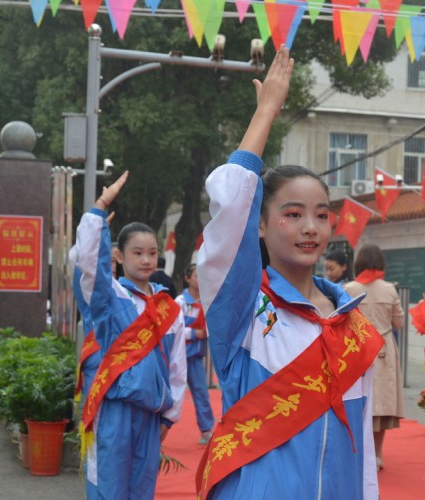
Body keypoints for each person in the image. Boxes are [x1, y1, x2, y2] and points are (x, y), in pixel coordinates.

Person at [195, 46, 383, 499]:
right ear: (259, 223)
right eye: (292, 214)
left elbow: (362, 452)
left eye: (321, 215)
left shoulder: (352, 324)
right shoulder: (243, 308)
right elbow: (228, 216)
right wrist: (266, 115)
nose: (309, 228)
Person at [75, 171, 187, 499]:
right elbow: (87, 266)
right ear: (119, 257)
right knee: (107, 488)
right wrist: (99, 209)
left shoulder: (170, 310)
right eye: (137, 253)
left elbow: (176, 369)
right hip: (113, 411)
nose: (146, 260)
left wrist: (170, 417)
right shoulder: (110, 298)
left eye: (152, 253)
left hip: (151, 416)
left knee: (141, 490)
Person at [344, 244, 404, 472]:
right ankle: (378, 455)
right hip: (383, 349)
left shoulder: (350, 288)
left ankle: (358, 452)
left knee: (356, 400)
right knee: (382, 402)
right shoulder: (389, 289)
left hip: (356, 348)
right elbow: (398, 322)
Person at [175, 262, 215, 445]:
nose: (201, 279)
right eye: (197, 275)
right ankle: (155, 430)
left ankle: (207, 430)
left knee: (201, 392)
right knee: (170, 394)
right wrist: (194, 333)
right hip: (177, 357)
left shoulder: (208, 301)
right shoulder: (180, 302)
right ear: (187, 278)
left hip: (196, 357)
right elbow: (173, 329)